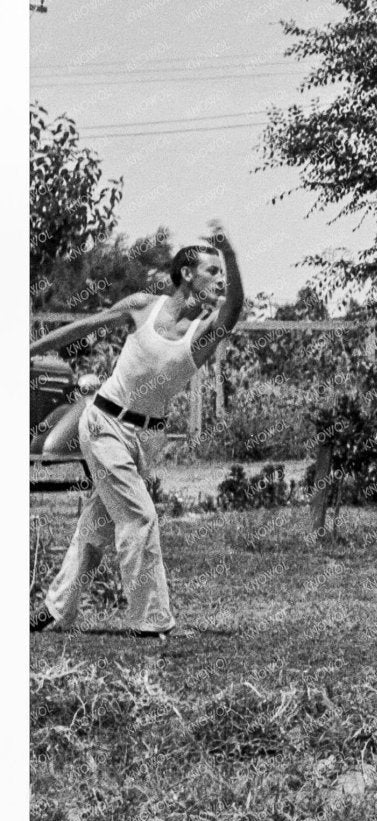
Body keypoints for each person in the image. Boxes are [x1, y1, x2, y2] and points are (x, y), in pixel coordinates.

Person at [30, 230, 245, 639]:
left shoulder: (203, 330)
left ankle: (55, 610)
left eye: (223, 271)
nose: (220, 279)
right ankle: (150, 622)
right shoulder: (143, 308)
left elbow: (232, 309)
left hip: (147, 439)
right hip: (104, 422)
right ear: (187, 273)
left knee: (96, 527)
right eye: (212, 270)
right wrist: (27, 351)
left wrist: (230, 256)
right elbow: (83, 327)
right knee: (139, 516)